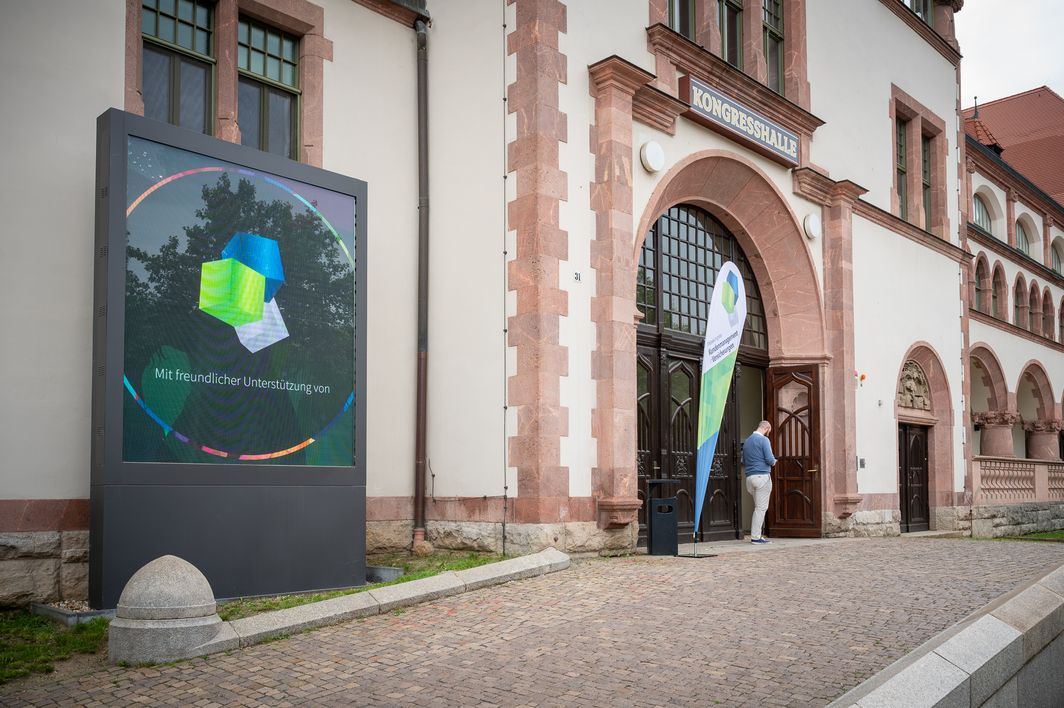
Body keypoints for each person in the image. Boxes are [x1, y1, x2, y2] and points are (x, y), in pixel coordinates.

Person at [742, 420, 776, 545]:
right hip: (762, 477)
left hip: (749, 479)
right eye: (769, 431)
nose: (768, 434)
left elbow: (744, 460)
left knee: (758, 508)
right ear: (766, 428)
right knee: (761, 509)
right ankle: (756, 537)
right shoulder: (764, 440)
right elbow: (769, 459)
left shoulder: (747, 441)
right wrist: (774, 461)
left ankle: (756, 535)